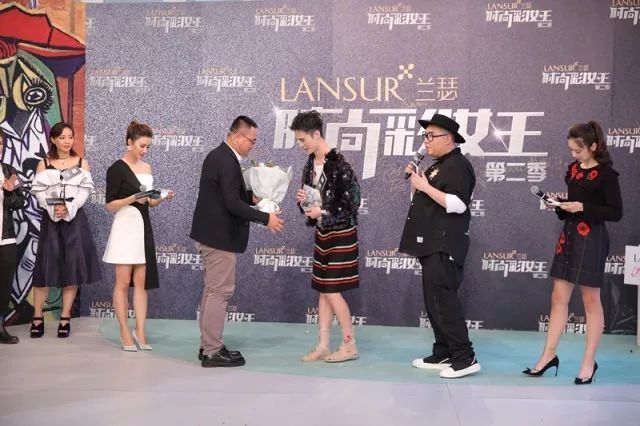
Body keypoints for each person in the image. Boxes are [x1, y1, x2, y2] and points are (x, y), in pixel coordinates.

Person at [523, 121, 622, 385]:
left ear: (593, 146)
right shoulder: (573, 170)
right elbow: (572, 205)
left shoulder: (606, 175)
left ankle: (589, 362)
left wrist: (582, 207)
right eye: (571, 150)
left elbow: (615, 212)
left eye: (578, 150)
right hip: (569, 236)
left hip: (592, 238)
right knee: (558, 297)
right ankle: (548, 355)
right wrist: (561, 206)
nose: (574, 155)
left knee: (590, 299)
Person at [190, 115, 284, 368]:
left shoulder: (222, 157)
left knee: (213, 291)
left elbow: (229, 195)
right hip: (218, 237)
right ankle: (212, 350)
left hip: (212, 235)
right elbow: (231, 203)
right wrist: (266, 218)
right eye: (251, 140)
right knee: (219, 292)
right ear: (236, 136)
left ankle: (209, 346)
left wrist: (251, 197)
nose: (253, 145)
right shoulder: (225, 159)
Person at [399, 113, 480, 378]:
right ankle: (444, 351)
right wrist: (417, 183)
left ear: (449, 138)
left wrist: (424, 186)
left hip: (446, 243)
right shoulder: (438, 166)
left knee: (444, 300)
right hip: (431, 242)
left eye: (431, 135)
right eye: (425, 135)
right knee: (433, 300)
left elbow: (458, 204)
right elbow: (422, 200)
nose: (427, 140)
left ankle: (465, 357)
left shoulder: (458, 165)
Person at [292, 110, 361, 363]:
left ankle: (349, 344)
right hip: (322, 233)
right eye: (298, 141)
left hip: (342, 234)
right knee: (323, 290)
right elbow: (311, 202)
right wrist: (304, 202)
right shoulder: (310, 164)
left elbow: (353, 203)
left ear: (316, 134)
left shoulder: (340, 164)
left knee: (331, 290)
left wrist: (322, 211)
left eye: (303, 140)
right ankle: (323, 345)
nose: (301, 145)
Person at [103, 121, 175, 351]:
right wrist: (133, 198)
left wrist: (161, 197)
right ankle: (124, 331)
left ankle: (140, 332)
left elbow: (150, 203)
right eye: (142, 146)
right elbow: (110, 205)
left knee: (142, 285)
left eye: (148, 147)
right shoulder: (116, 168)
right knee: (123, 283)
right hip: (124, 227)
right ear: (129, 142)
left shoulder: (147, 168)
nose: (144, 150)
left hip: (143, 227)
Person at [30, 122, 102, 338]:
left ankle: (65, 317)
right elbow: (39, 193)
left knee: (72, 267)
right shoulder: (44, 164)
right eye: (62, 137)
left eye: (70, 137)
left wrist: (69, 208)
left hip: (74, 220)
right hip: (51, 220)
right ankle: (37, 316)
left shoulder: (81, 163)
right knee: (44, 268)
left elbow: (84, 192)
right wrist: (53, 208)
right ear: (53, 139)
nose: (67, 141)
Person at [0, 129, 27, 344]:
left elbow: (20, 202)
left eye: (0, 143)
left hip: (6, 239)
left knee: (4, 285)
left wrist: (9, 192)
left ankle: (0, 328)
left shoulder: (9, 170)